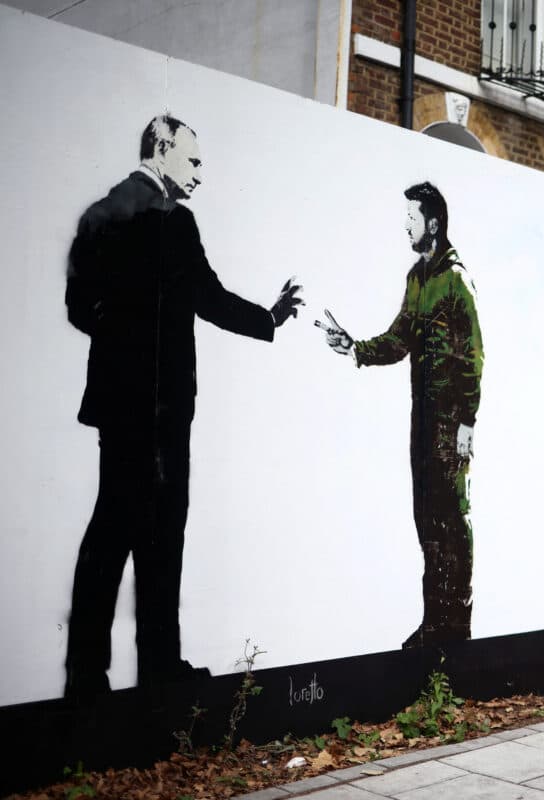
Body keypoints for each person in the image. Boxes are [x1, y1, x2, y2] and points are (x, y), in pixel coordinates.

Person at [64, 115, 304, 699]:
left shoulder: (98, 214)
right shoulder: (173, 222)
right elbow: (210, 299)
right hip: (165, 410)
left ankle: (86, 675)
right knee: (161, 534)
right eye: (192, 161)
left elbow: (78, 307)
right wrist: (269, 318)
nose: (200, 173)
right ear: (162, 149)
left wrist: (120, 337)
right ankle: (160, 666)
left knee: (110, 529)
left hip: (117, 409)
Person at [317, 181, 483, 650]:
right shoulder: (417, 277)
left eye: (411, 217)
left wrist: (467, 422)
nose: (405, 225)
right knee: (427, 522)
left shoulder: (456, 278)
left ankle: (458, 627)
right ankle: (435, 624)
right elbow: (400, 338)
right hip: (423, 420)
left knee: (454, 518)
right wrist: (355, 347)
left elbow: (473, 356)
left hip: (451, 424)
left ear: (432, 223)